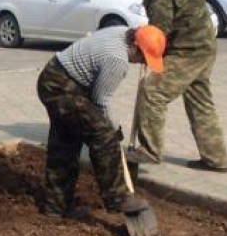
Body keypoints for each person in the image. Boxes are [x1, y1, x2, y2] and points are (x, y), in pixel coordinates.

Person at [37, 25, 163, 218]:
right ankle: (118, 197)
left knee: (65, 143)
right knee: (104, 137)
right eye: (143, 58)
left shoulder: (122, 32)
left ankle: (57, 207)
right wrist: (115, 129)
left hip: (52, 77)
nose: (141, 63)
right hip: (62, 87)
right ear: (135, 47)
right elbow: (100, 102)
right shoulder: (117, 59)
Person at [126, 0, 227, 173]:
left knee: (152, 91)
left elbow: (160, 30)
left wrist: (141, 48)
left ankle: (149, 151)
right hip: (205, 43)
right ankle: (216, 159)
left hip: (187, 51)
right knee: (199, 102)